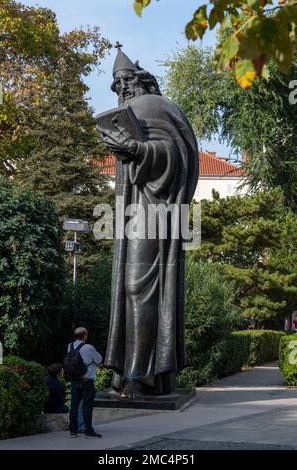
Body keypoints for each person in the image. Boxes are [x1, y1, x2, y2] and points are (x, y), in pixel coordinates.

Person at [99, 45, 198, 399]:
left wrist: (138, 150)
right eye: (115, 85)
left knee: (138, 288)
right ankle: (141, 375)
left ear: (139, 80)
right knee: (134, 290)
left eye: (124, 80)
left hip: (153, 212)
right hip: (136, 213)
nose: (120, 88)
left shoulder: (154, 106)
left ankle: (137, 377)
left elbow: (173, 154)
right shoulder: (134, 108)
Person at [67, 327, 103, 438]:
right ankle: (88, 430)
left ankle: (73, 431)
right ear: (85, 336)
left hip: (74, 381)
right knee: (87, 406)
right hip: (86, 382)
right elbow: (99, 360)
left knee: (74, 406)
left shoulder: (70, 346)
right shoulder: (89, 347)